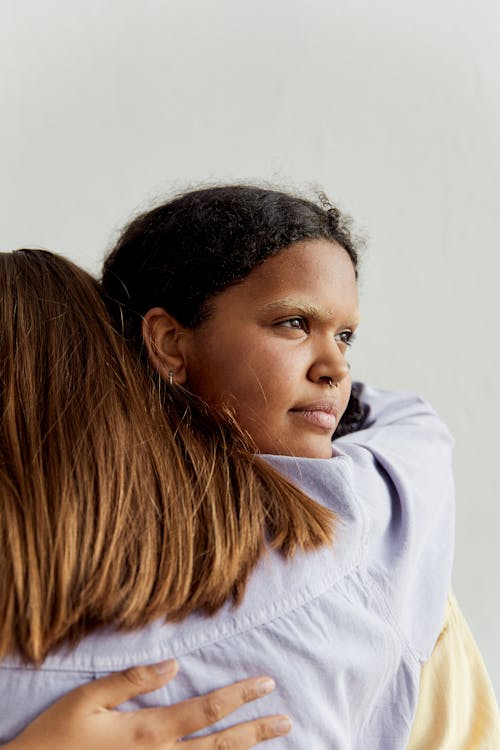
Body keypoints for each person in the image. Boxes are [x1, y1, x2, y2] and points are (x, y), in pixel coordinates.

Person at [1, 187, 498, 748]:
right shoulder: (364, 526)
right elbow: (415, 426)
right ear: (167, 342)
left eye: (345, 336)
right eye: (292, 323)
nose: (337, 367)